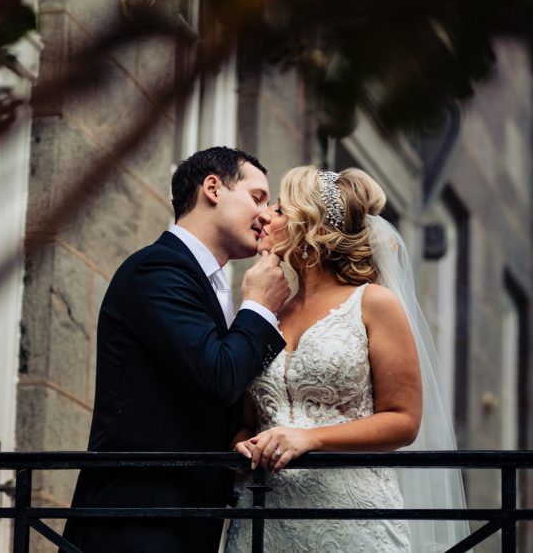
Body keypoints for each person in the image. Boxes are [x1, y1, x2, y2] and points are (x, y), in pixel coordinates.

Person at [224, 166, 468, 552]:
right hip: (264, 519)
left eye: (282, 209)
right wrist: (244, 442)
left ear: (314, 230)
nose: (266, 215)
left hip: (348, 518)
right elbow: (247, 421)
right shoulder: (268, 310)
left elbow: (404, 420)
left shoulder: (373, 303)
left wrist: (311, 438)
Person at [61, 147, 290, 552]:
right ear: (213, 188)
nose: (266, 215)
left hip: (188, 518)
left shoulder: (210, 283)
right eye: (257, 198)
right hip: (137, 519)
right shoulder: (158, 269)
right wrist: (259, 306)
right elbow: (218, 376)